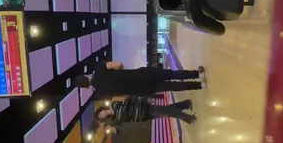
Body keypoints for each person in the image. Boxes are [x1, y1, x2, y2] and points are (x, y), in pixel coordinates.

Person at [75, 61, 206, 99]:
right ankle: (197, 74)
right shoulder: (99, 69)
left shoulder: (100, 92)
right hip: (141, 75)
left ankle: (200, 86)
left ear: (86, 86)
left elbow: (121, 97)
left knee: (171, 86)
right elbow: (119, 64)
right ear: (86, 76)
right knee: (171, 74)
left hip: (141, 89)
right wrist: (121, 72)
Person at [96, 95, 197, 128]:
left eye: (100, 114)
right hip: (143, 117)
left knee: (167, 112)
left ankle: (189, 118)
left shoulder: (114, 103)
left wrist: (143, 99)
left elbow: (127, 98)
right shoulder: (114, 120)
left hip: (143, 108)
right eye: (101, 117)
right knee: (167, 111)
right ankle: (186, 104)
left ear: (101, 110)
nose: (102, 115)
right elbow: (119, 125)